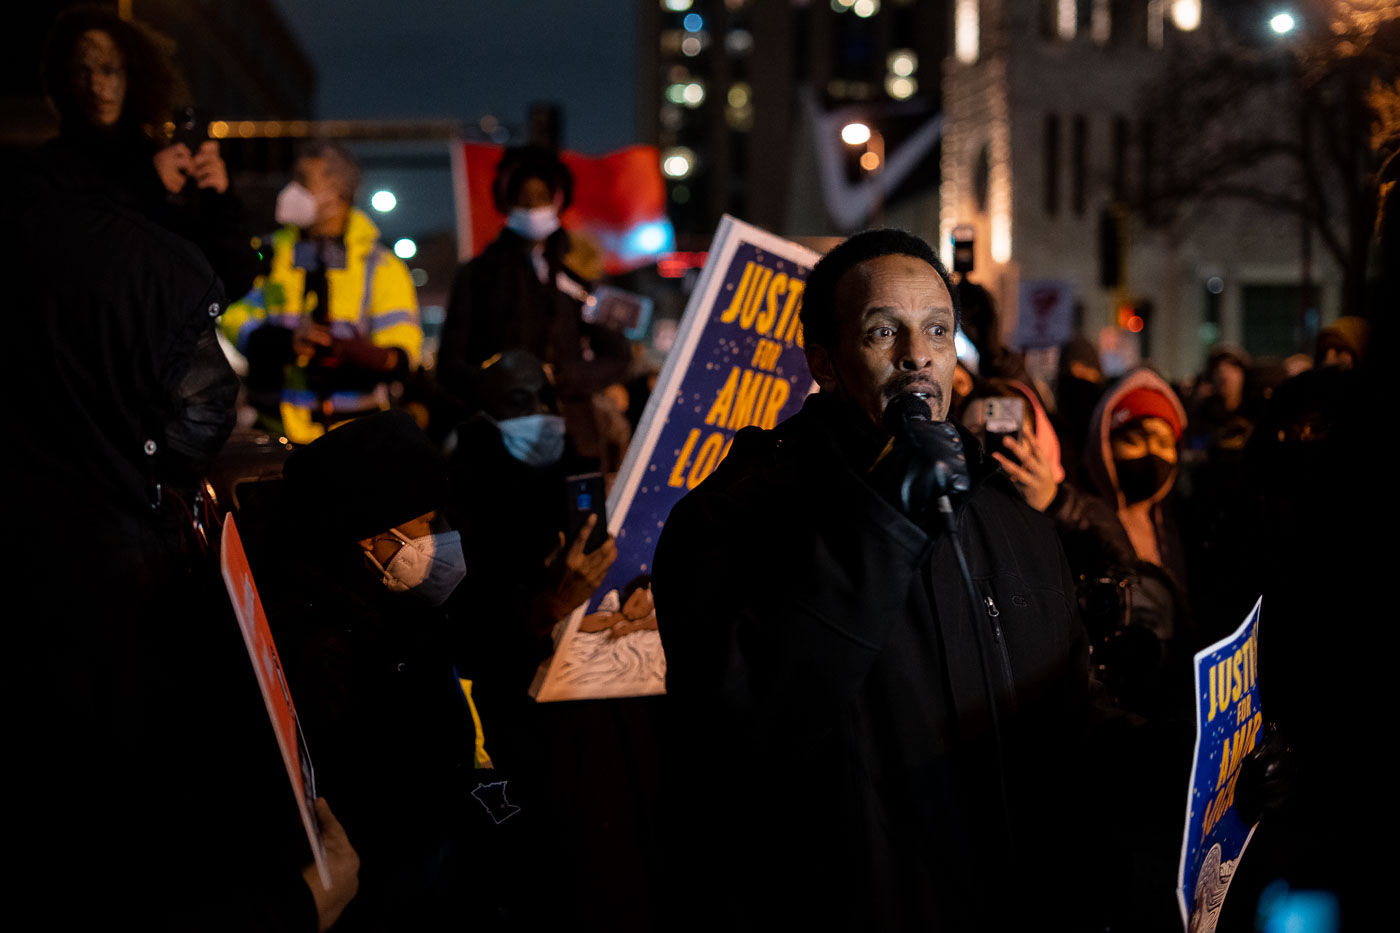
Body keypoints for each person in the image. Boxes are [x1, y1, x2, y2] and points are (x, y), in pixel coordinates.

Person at [652, 229, 1112, 930]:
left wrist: (1202, 776)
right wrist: (883, 524)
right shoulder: (735, 517)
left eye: (937, 328)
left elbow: (1067, 735)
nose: (917, 353)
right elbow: (738, 737)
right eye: (881, 330)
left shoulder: (1010, 517)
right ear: (826, 364)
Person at [39, 4, 257, 299]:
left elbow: (227, 282)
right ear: (64, 78)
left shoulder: (158, 162)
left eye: (109, 70)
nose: (97, 85)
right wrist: (147, 186)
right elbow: (74, 263)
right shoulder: (46, 170)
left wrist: (219, 202)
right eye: (83, 70)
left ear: (131, 74)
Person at [437, 146, 630, 467]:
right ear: (506, 203)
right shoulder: (478, 275)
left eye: (541, 197)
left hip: (574, 438)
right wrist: (506, 383)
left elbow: (617, 355)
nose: (533, 207)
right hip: (497, 440)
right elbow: (450, 367)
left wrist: (566, 376)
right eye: (524, 198)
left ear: (557, 200)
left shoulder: (580, 274)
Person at [219, 141, 421, 444]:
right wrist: (283, 343)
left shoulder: (381, 266)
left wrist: (351, 351)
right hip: (273, 434)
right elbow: (234, 316)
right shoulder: (269, 254)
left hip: (354, 440)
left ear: (337, 196)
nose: (291, 191)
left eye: (303, 182)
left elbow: (402, 355)